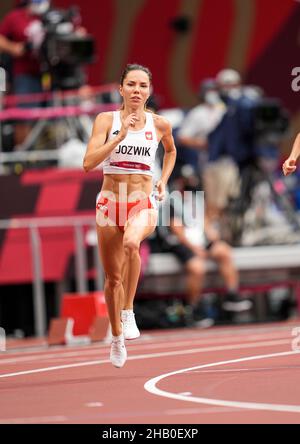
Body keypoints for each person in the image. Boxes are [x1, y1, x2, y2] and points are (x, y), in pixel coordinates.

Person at [83, 64, 176, 368]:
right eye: (132, 85)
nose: (137, 90)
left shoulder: (159, 123)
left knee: (132, 245)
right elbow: (88, 163)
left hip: (142, 201)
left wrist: (163, 179)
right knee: (112, 279)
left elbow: (171, 151)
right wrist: (119, 136)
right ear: (120, 89)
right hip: (110, 203)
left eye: (143, 86)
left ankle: (129, 312)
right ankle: (117, 337)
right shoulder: (105, 120)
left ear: (149, 91)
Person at [156, 167, 252, 325]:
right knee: (197, 267)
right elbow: (176, 230)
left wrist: (212, 234)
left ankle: (231, 295)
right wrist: (196, 249)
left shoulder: (197, 198)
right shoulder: (171, 200)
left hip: (199, 240)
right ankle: (193, 308)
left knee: (224, 251)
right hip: (180, 242)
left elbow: (204, 220)